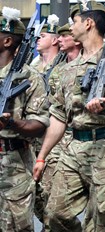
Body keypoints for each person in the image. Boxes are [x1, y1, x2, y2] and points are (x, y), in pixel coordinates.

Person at [32, 1, 105, 231]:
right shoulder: (66, 69)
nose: (70, 27)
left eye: (75, 21)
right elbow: (59, 117)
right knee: (55, 213)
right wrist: (41, 157)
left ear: (89, 23)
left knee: (100, 221)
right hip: (74, 148)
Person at [0, 6, 50, 231]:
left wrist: (10, 123)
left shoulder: (30, 78)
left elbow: (39, 126)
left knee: (18, 227)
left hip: (14, 165)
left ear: (7, 41)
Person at [34, 22, 82, 232]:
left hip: (62, 138)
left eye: (66, 36)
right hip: (37, 135)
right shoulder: (35, 68)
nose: (62, 39)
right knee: (37, 191)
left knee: (52, 192)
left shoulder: (67, 69)